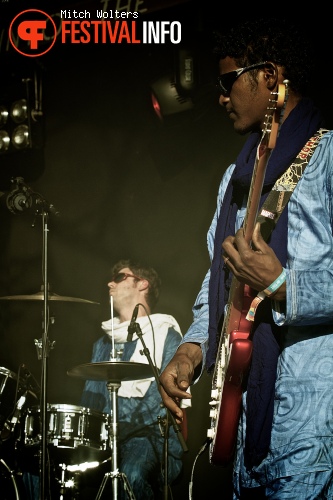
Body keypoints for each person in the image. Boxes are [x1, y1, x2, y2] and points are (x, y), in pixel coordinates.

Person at [159, 17, 333, 500]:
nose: (220, 97)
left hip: (312, 427)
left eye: (228, 80)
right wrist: (192, 350)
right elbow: (219, 282)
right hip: (244, 425)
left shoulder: (328, 159)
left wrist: (283, 285)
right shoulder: (235, 179)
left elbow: (270, 281)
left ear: (271, 77)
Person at [80, 259, 189, 499]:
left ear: (143, 284)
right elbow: (91, 402)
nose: (110, 283)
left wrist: (125, 427)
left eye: (119, 277)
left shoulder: (167, 336)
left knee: (132, 472)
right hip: (105, 440)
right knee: (41, 464)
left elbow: (165, 404)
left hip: (147, 437)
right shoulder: (102, 344)